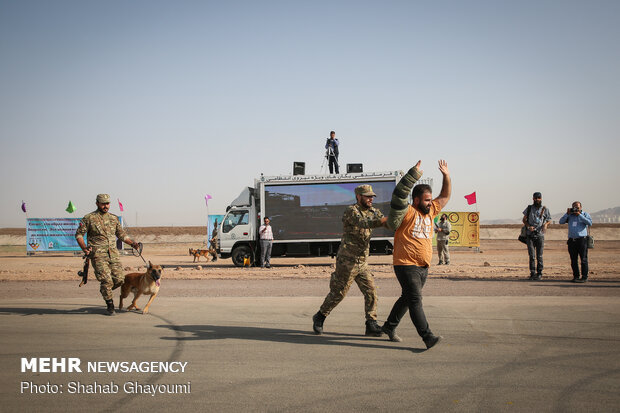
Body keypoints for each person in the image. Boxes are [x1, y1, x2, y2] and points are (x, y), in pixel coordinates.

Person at [381, 160, 451, 350]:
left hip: (423, 266)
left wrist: (446, 176)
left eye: (431, 200)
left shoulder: (431, 212)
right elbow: (399, 195)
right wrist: (412, 174)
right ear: (417, 200)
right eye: (427, 200)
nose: (431, 203)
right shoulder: (407, 211)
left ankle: (389, 326)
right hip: (405, 264)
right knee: (415, 299)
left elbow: (444, 196)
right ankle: (427, 337)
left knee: (407, 297)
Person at [312, 184, 387, 336]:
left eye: (372, 196)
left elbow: (386, 222)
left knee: (371, 291)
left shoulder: (374, 211)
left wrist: (398, 220)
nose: (371, 198)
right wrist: (384, 220)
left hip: (362, 261)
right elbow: (364, 223)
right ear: (359, 197)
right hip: (347, 261)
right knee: (339, 293)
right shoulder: (351, 211)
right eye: (367, 196)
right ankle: (320, 316)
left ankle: (371, 323)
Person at [75, 194, 140, 315]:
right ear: (97, 203)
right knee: (107, 280)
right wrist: (84, 248)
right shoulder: (89, 218)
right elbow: (78, 235)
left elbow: (121, 235)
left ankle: (105, 290)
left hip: (113, 255)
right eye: (103, 203)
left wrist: (133, 243)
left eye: (107, 203)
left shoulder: (113, 218)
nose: (106, 206)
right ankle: (110, 304)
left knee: (120, 279)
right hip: (98, 255)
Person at [559, 202, 592, 283]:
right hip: (572, 240)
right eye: (574, 207)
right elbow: (561, 222)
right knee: (573, 260)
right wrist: (567, 213)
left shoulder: (585, 214)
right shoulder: (570, 215)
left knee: (583, 259)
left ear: (581, 207)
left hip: (581, 240)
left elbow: (590, 223)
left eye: (577, 207)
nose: (575, 209)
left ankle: (584, 276)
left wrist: (579, 215)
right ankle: (576, 276)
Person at [523, 192, 551, 280]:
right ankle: (532, 273)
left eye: (538, 198)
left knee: (539, 255)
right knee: (532, 255)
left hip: (540, 235)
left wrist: (546, 224)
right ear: (533, 199)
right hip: (530, 235)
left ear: (541, 198)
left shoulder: (545, 209)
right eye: (535, 198)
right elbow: (524, 220)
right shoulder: (529, 208)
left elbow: (549, 220)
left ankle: (539, 273)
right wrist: (528, 226)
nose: (537, 199)